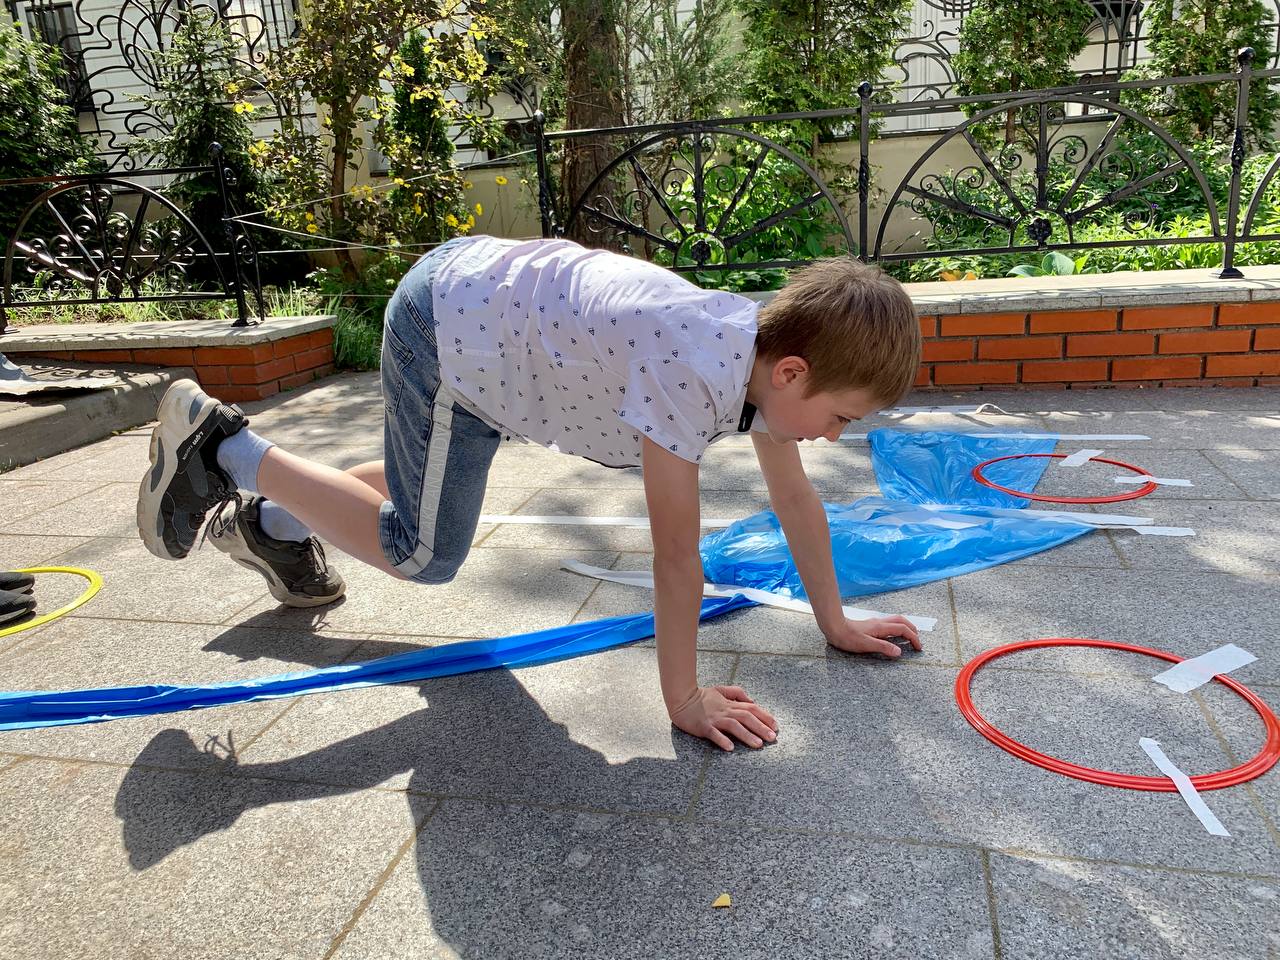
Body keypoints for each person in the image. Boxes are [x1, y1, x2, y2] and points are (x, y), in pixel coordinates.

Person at [136, 236, 923, 752]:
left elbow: (797, 503)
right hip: (450, 332)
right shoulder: (693, 372)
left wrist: (835, 622)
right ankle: (227, 449)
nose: (834, 438)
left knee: (429, 492)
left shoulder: (760, 360)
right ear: (792, 372)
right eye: (840, 418)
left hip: (490, 329)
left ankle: (272, 523)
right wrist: (683, 697)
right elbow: (677, 556)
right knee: (424, 551)